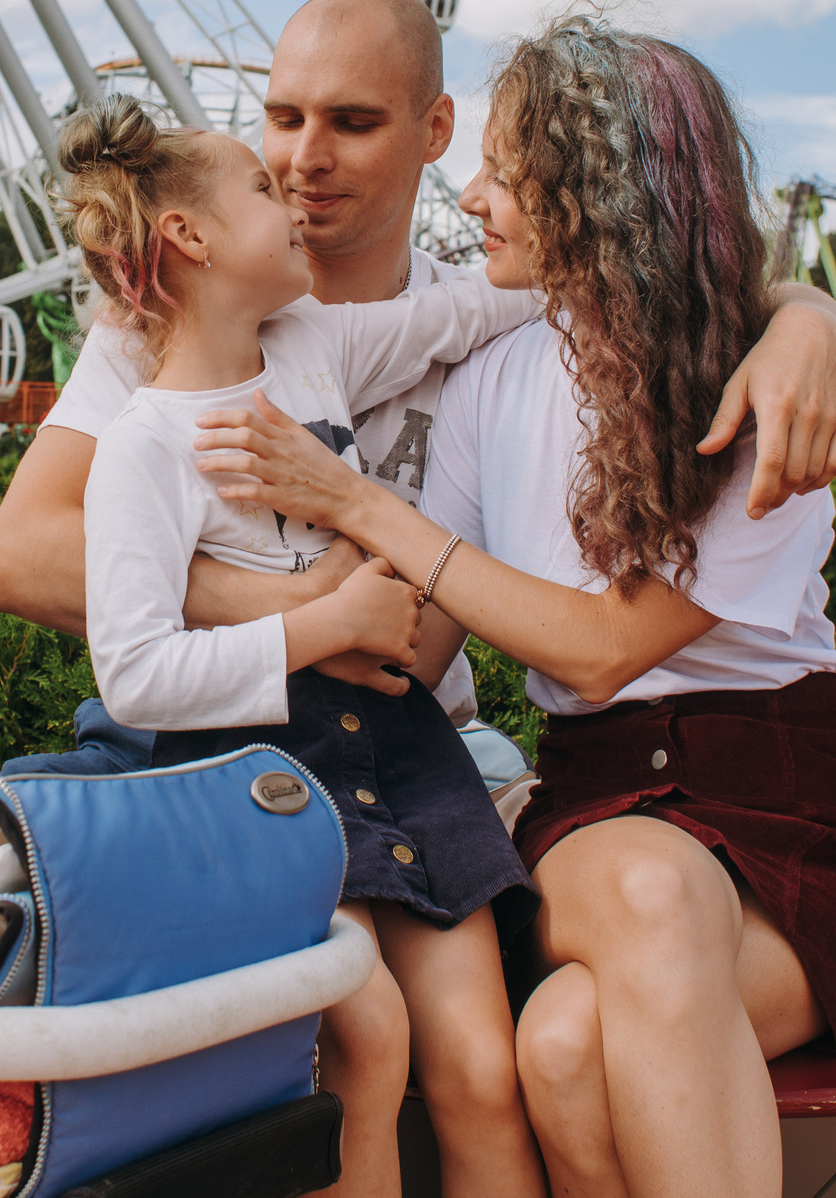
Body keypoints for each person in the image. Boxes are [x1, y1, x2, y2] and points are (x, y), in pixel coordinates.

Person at [191, 15, 836, 1198]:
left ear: (596, 191)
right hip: (602, 805)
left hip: (791, 813)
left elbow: (599, 653)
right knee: (644, 884)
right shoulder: (493, 372)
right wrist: (218, 580)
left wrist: (367, 510)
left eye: (506, 169)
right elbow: (417, 649)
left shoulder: (755, 387)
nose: (472, 192)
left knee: (566, 1045)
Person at [0, 0, 836, 771]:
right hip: (196, 726)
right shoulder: (164, 322)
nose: (303, 161)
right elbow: (23, 559)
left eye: (352, 123)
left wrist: (804, 316)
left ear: (435, 129)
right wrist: (305, 605)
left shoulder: (480, 325)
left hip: (402, 740)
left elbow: (633, 274)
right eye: (283, 119)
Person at [57, 93, 545, 1198]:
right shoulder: (143, 448)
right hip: (267, 783)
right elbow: (133, 673)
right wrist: (324, 624)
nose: (296, 201)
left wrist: (776, 300)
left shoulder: (317, 343)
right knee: (361, 1045)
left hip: (409, 759)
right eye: (265, 190)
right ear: (188, 237)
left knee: (480, 1062)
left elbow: (467, 315)